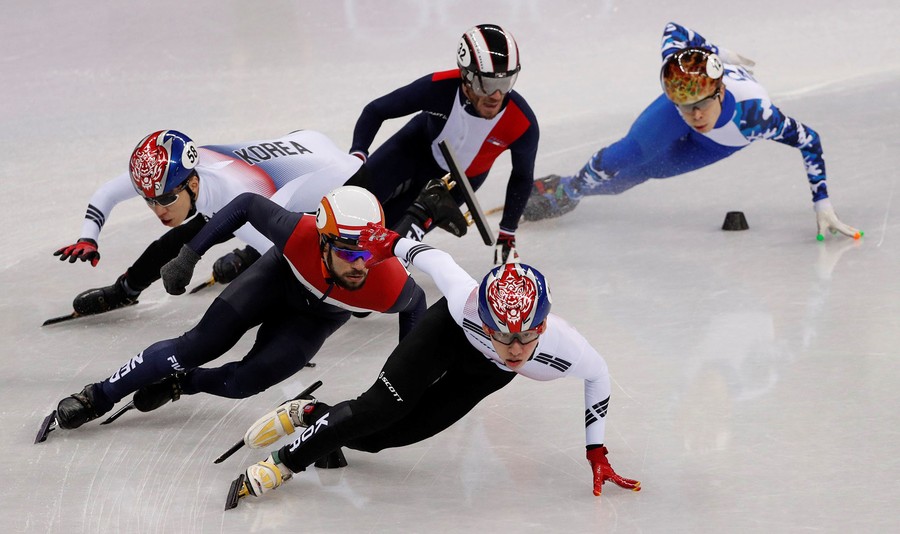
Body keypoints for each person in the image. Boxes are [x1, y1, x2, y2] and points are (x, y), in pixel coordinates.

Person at [233, 223, 641, 499]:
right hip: (445, 334)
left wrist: (596, 450)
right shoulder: (464, 301)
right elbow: (432, 258)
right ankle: (283, 463)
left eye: (526, 336)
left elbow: (600, 376)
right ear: (485, 321)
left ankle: (308, 413)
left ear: (543, 325)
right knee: (378, 409)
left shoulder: (564, 348)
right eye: (502, 335)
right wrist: (388, 241)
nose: (516, 349)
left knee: (380, 438)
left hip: (483, 374)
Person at [52, 186, 426, 430]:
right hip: (276, 278)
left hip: (316, 319)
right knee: (196, 347)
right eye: (349, 252)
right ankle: (98, 395)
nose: (360, 265)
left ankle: (184, 383)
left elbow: (418, 306)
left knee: (243, 384)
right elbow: (246, 204)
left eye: (369, 253)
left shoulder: (388, 283)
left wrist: (407, 378)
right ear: (322, 241)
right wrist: (188, 256)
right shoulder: (298, 232)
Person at [524, 22, 861, 241]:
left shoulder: (757, 117)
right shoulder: (678, 72)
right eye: (686, 106)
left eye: (702, 105)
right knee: (628, 153)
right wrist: (713, 53)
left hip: (720, 142)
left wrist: (822, 203)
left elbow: (809, 140)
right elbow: (673, 29)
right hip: (678, 114)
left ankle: (570, 185)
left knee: (642, 173)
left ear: (721, 92)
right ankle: (567, 191)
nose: (696, 115)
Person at [53, 128, 366, 317]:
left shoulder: (234, 194)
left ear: (191, 184)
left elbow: (287, 262)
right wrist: (88, 237)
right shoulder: (170, 172)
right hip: (303, 144)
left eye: (165, 199)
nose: (157, 209)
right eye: (148, 200)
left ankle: (245, 255)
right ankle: (126, 289)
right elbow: (108, 192)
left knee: (303, 263)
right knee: (179, 240)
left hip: (339, 181)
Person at [346, 23, 539, 263]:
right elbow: (376, 110)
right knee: (352, 200)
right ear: (466, 77)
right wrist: (357, 155)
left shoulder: (522, 123)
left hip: (455, 184)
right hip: (414, 148)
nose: (496, 95)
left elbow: (522, 176)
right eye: (487, 84)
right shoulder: (440, 87)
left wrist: (508, 231)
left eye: (505, 83)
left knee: (386, 245)